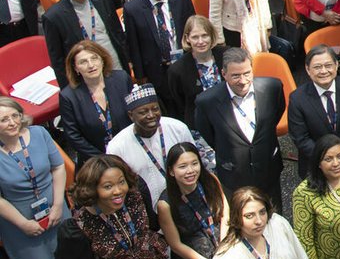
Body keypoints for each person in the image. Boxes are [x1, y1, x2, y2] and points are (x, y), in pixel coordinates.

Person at [0, 98, 76, 259]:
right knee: (32, 258)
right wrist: (23, 223)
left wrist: (58, 204)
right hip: (17, 214)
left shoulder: (40, 134)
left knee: (56, 248)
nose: (13, 122)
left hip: (52, 202)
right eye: (4, 119)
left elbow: (58, 166)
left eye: (15, 115)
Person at [194, 48, 286, 205]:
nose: (243, 80)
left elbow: (276, 114)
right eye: (235, 75)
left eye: (247, 73)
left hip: (268, 168)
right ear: (224, 74)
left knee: (274, 218)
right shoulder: (207, 101)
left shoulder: (272, 87)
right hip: (234, 175)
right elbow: (208, 133)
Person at [42, 0, 129, 88]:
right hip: (87, 73)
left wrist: (128, 59)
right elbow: (58, 60)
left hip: (114, 61)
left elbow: (117, 31)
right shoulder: (53, 16)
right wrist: (69, 89)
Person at [107, 84, 198, 203]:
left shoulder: (178, 128)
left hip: (186, 199)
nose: (151, 115)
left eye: (155, 109)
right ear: (131, 115)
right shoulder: (117, 146)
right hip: (147, 206)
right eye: (143, 112)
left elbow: (195, 161)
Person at [287, 44, 340, 175]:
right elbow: (300, 138)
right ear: (308, 70)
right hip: (316, 165)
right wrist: (327, 159)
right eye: (317, 67)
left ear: (336, 65)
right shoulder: (297, 98)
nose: (324, 71)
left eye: (328, 65)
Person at [122, 0, 192, 106]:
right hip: (156, 70)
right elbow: (133, 45)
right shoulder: (132, 9)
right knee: (167, 106)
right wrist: (140, 76)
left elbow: (192, 28)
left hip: (183, 62)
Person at [59, 41, 134, 159]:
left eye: (94, 58)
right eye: (83, 62)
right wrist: (104, 158)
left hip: (130, 149)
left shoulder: (121, 79)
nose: (91, 65)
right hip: (97, 159)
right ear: (76, 68)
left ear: (102, 60)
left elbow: (135, 113)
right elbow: (74, 137)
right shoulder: (68, 96)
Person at [166, 15, 226, 126]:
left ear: (211, 35)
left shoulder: (226, 56)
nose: (201, 41)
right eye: (195, 37)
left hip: (229, 120)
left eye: (204, 36)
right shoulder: (177, 70)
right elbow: (179, 104)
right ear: (187, 38)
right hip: (199, 126)